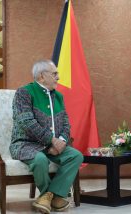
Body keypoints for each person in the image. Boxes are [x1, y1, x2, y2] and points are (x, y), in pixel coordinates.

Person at [10, 60, 83, 214]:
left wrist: (62, 141)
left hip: (54, 144)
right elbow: (26, 122)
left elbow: (65, 123)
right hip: (26, 144)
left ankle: (50, 197)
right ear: (42, 76)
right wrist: (52, 141)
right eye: (54, 73)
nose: (58, 77)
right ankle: (50, 196)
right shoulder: (24, 92)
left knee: (76, 156)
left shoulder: (59, 97)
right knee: (40, 160)